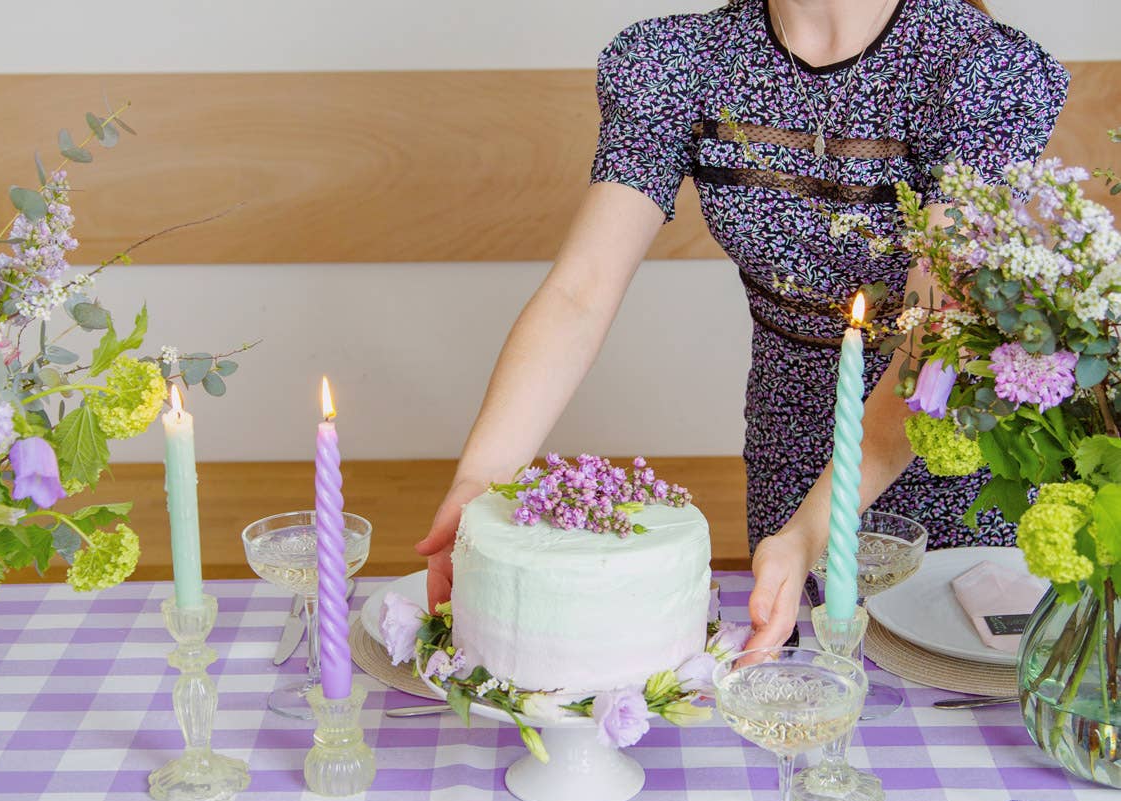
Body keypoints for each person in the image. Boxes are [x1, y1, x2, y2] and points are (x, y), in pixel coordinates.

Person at [416, 0, 1068, 649]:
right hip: (789, 445)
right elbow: (579, 294)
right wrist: (480, 478)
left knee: (945, 698)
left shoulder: (983, 71)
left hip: (949, 454)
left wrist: (817, 529)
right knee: (804, 691)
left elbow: (936, 342)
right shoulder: (676, 61)